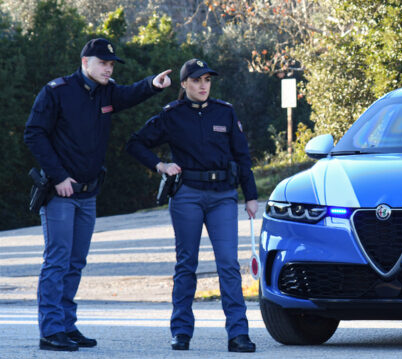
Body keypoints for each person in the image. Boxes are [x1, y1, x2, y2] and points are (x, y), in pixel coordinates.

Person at [23, 38, 172, 351]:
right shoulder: (57, 91)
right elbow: (33, 134)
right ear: (85, 62)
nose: (109, 68)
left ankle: (66, 325)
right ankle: (51, 331)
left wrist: (153, 84)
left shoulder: (106, 91)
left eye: (111, 64)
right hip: (60, 193)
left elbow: (130, 94)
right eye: (103, 63)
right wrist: (59, 175)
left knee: (76, 262)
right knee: (58, 261)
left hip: (88, 193)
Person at [125, 58, 258, 353]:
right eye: (196, 80)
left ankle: (238, 334)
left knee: (228, 265)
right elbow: (135, 143)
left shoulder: (225, 112)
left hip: (223, 196)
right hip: (187, 195)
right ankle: (181, 332)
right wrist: (160, 165)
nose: (202, 86)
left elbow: (242, 156)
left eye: (207, 80)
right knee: (187, 265)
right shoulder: (172, 115)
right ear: (184, 84)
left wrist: (250, 195)